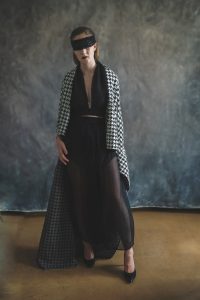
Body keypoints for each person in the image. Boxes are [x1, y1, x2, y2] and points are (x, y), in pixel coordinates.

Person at [37, 26, 136, 283]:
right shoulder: (69, 79)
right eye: (77, 47)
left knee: (116, 197)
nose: (82, 51)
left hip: (104, 143)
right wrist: (58, 138)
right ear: (74, 51)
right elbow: (63, 114)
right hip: (76, 142)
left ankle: (129, 251)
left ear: (95, 46)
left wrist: (113, 150)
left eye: (86, 45)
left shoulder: (110, 76)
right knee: (80, 197)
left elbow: (116, 116)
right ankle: (87, 244)